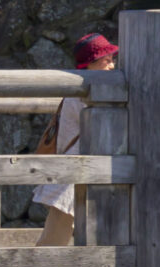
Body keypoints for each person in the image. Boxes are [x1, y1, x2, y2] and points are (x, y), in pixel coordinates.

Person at [33, 34, 117, 245]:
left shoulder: (87, 87)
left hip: (80, 169)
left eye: (111, 60)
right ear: (90, 64)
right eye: (105, 61)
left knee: (65, 232)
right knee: (56, 235)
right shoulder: (83, 91)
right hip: (75, 169)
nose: (111, 65)